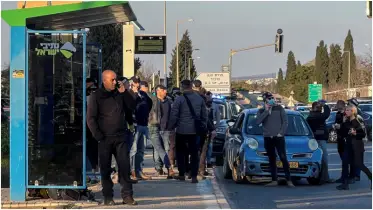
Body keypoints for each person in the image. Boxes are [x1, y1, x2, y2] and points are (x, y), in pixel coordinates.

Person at [87, 70, 137, 205]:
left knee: (124, 167)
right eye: (112, 80)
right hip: (105, 138)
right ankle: (108, 197)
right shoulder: (96, 95)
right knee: (105, 169)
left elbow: (132, 106)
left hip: (121, 137)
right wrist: (98, 135)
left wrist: (124, 92)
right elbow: (91, 118)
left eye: (116, 80)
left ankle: (127, 196)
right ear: (104, 81)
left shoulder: (120, 93)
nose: (115, 82)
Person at [168, 80, 207, 183]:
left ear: (182, 87)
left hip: (181, 130)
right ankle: (194, 175)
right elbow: (204, 115)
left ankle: (182, 174)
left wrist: (171, 127)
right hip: (195, 131)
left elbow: (174, 115)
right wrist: (203, 126)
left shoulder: (179, 99)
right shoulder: (199, 99)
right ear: (191, 86)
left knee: (180, 153)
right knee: (194, 153)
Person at [256, 92, 294, 187]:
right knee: (272, 158)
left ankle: (288, 179)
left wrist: (281, 133)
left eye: (272, 98)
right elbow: (258, 121)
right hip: (268, 137)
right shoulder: (261, 111)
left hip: (279, 137)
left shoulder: (279, 108)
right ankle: (274, 180)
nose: (271, 100)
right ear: (265, 101)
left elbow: (285, 122)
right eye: (269, 99)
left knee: (283, 157)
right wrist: (266, 111)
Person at [336, 105, 372, 190]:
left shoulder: (356, 121)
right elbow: (343, 133)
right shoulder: (347, 121)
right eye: (346, 110)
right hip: (349, 146)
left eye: (348, 110)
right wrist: (339, 127)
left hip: (357, 146)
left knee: (359, 165)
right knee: (345, 162)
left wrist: (355, 133)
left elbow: (362, 134)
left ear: (353, 111)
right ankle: (345, 184)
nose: (346, 112)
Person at [148, 85, 173, 178]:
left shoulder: (169, 101)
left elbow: (171, 115)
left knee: (165, 149)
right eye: (163, 90)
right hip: (156, 127)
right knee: (157, 149)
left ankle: (168, 167)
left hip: (166, 129)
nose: (165, 92)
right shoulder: (153, 101)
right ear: (158, 91)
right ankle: (159, 168)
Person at [306, 100, 334, 184]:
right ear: (314, 107)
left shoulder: (311, 116)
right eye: (318, 107)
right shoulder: (315, 116)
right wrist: (324, 105)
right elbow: (326, 114)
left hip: (315, 139)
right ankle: (324, 178)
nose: (320, 108)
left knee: (319, 158)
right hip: (320, 139)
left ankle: (323, 177)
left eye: (320, 107)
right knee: (323, 158)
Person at [130, 81, 152, 181]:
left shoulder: (143, 94)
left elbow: (149, 103)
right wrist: (134, 93)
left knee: (140, 150)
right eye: (135, 83)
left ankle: (139, 171)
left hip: (143, 124)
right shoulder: (129, 94)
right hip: (135, 125)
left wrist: (146, 115)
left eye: (138, 83)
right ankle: (132, 171)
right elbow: (131, 106)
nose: (137, 85)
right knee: (133, 150)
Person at [198, 91, 217, 175]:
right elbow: (207, 120)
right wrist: (212, 129)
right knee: (202, 151)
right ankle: (201, 170)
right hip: (202, 132)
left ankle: (196, 170)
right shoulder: (204, 109)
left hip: (196, 132)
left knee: (199, 151)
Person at [334, 100, 347, 183]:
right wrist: (335, 126)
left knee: (346, 159)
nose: (336, 106)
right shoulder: (337, 114)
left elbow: (347, 125)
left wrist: (340, 126)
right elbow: (337, 122)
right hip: (339, 138)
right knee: (342, 156)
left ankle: (345, 177)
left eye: (337, 104)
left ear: (341, 105)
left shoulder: (346, 113)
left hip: (345, 138)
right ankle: (344, 175)